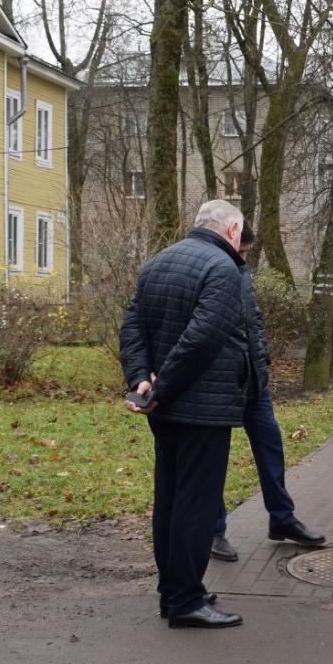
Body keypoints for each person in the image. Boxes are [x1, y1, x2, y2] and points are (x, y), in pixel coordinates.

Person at [118, 199, 250, 629]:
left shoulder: (157, 262)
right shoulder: (223, 269)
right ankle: (186, 600)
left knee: (170, 501)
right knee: (195, 503)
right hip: (202, 408)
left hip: (164, 406)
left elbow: (132, 326)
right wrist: (163, 388)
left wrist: (143, 381)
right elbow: (203, 339)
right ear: (232, 230)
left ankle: (172, 590)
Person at [209, 225, 326, 562]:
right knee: (214, 459)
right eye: (241, 250)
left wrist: (262, 357)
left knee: (270, 446)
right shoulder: (209, 268)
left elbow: (253, 320)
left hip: (254, 382)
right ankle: (214, 531)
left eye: (248, 252)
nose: (244, 257)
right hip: (219, 385)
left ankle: (282, 519)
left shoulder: (241, 273)